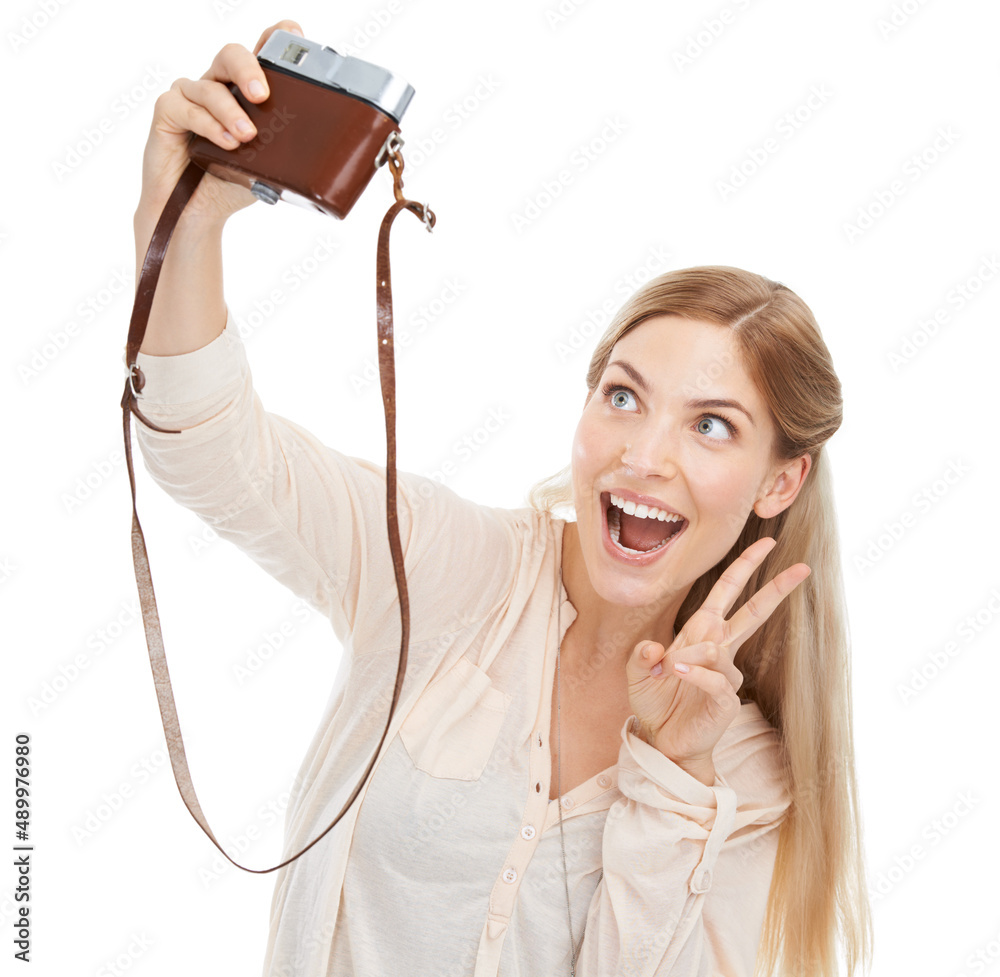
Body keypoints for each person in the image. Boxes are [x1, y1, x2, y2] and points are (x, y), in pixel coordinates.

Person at [128, 19, 873, 977]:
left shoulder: (749, 778)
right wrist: (180, 222)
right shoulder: (448, 565)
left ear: (782, 479)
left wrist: (672, 770)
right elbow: (217, 456)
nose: (643, 454)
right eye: (624, 395)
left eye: (711, 424)